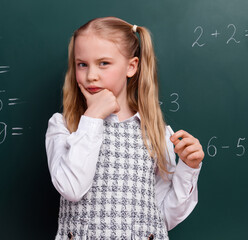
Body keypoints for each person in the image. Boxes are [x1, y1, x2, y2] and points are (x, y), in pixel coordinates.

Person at [45, 16, 204, 239]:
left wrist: (188, 167)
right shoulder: (63, 126)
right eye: (82, 64)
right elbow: (72, 188)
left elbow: (162, 218)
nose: (91, 75)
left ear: (131, 67)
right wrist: (92, 118)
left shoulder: (156, 134)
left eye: (104, 63)